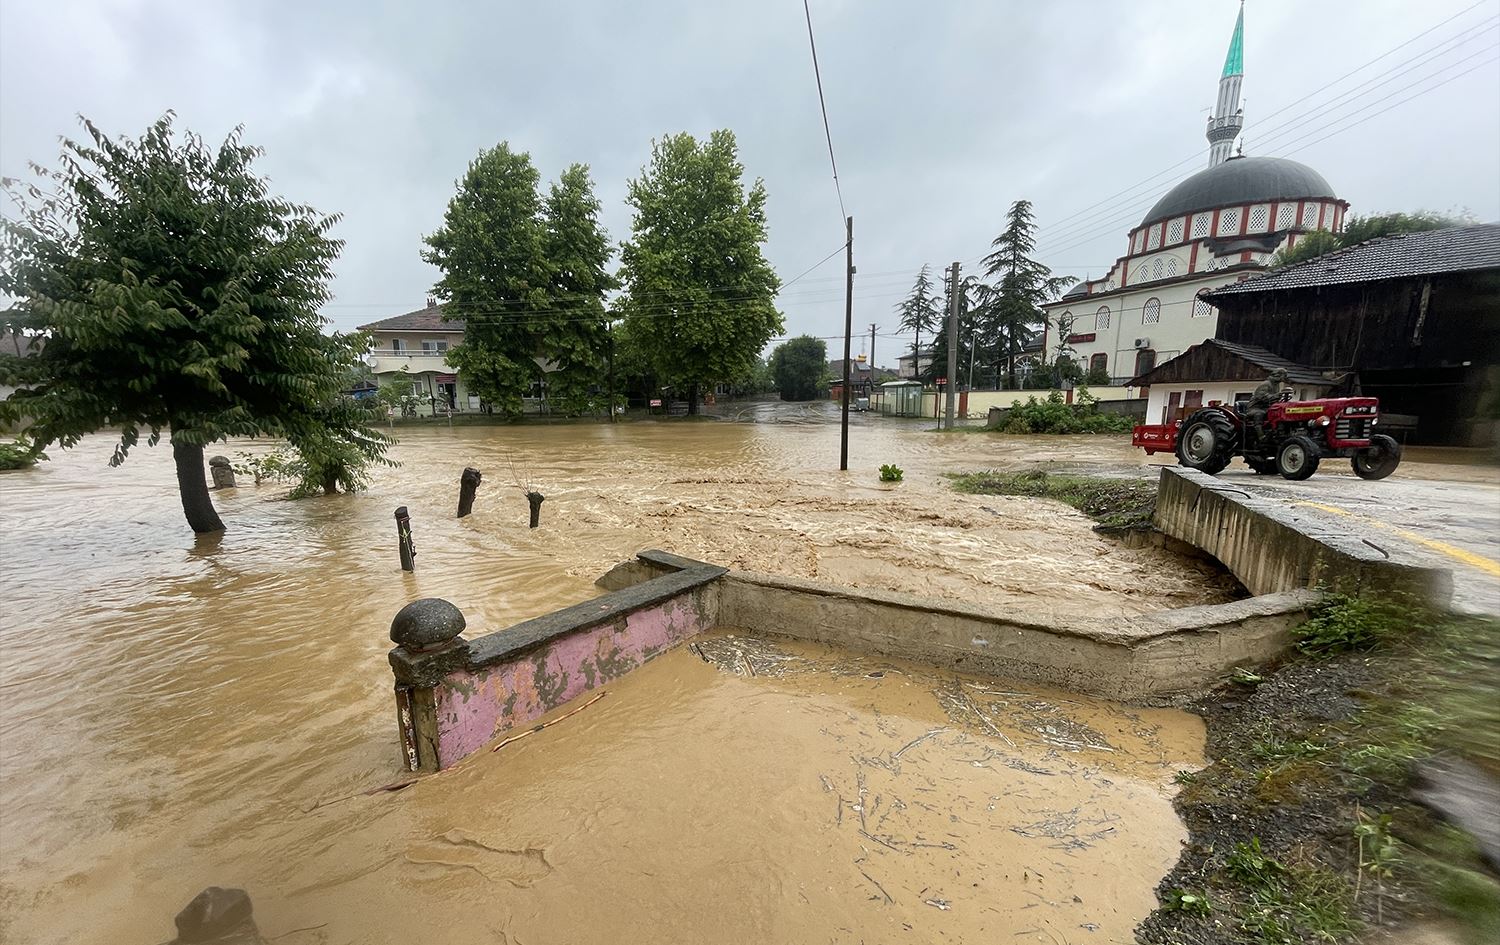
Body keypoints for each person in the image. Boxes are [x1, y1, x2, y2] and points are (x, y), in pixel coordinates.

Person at [1244, 369, 1289, 447]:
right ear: (1278, 375)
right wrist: (1277, 395)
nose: (1284, 378)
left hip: (1267, 407)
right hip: (1256, 407)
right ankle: (1261, 435)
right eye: (1283, 376)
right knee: (1260, 414)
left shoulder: (1276, 385)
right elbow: (1261, 397)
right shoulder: (1266, 384)